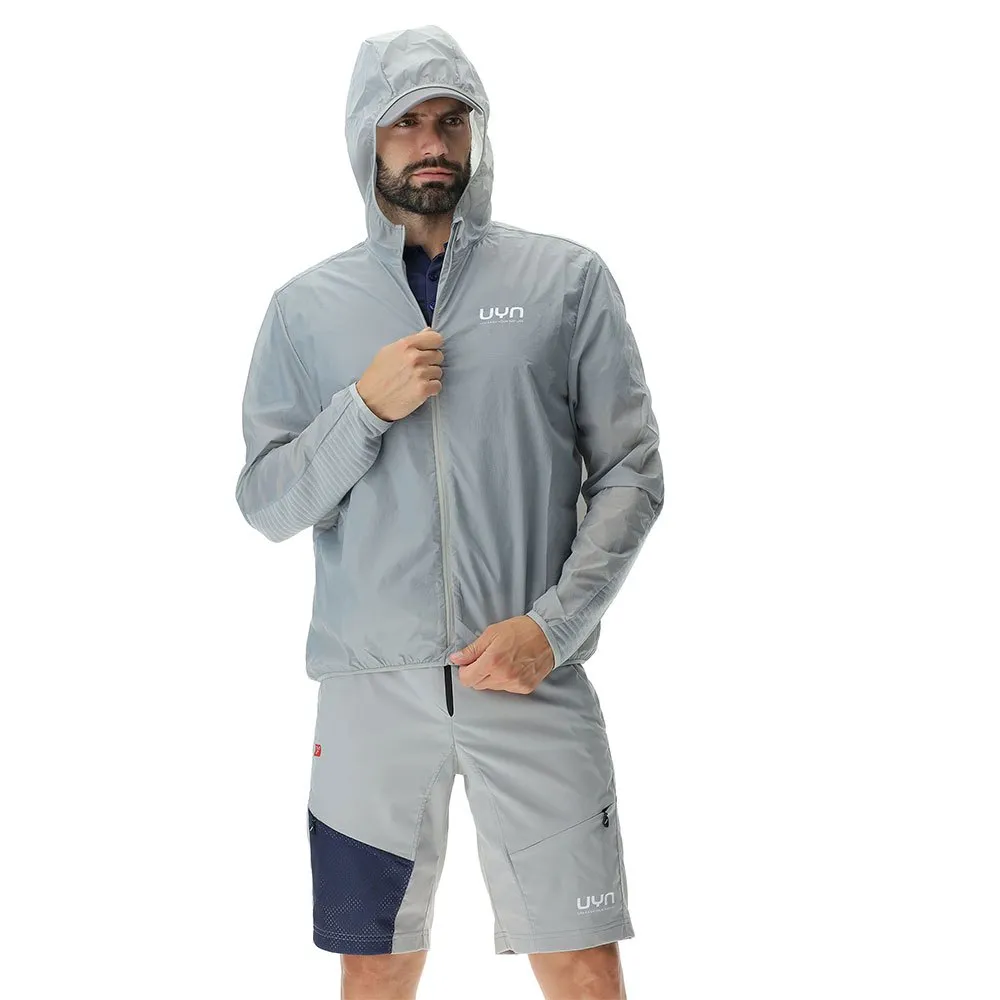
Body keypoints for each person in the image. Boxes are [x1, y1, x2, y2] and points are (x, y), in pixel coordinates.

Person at [235, 23, 664, 1000]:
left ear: (476, 132)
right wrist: (362, 408)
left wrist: (551, 630)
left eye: (450, 120)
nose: (432, 144)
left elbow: (632, 473)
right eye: (406, 124)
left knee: (582, 965)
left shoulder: (565, 282)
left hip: (532, 678)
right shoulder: (304, 309)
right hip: (369, 696)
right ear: (367, 138)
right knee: (376, 965)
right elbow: (267, 500)